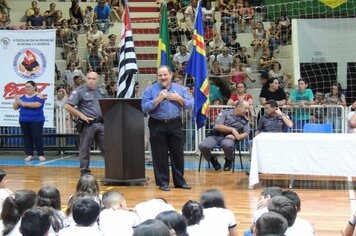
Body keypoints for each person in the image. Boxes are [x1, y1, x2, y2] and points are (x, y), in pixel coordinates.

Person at [141, 65, 193, 191]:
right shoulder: (150, 90)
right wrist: (158, 99)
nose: (163, 77)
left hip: (175, 123)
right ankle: (163, 182)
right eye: (160, 75)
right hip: (157, 124)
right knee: (159, 155)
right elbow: (144, 107)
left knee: (178, 154)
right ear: (157, 77)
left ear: (171, 75)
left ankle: (179, 182)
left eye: (165, 75)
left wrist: (179, 99)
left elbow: (191, 104)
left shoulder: (180, 89)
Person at [64, 72, 107, 175]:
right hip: (88, 124)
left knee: (107, 147)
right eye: (89, 78)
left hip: (101, 123)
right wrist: (81, 115)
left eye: (93, 79)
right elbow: (67, 106)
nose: (91, 81)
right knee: (85, 148)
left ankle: (112, 171)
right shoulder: (79, 91)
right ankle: (84, 172)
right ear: (86, 79)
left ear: (97, 80)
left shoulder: (101, 91)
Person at [199, 100, 250, 171]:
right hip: (216, 135)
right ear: (238, 107)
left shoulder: (245, 119)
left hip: (229, 138)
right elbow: (217, 126)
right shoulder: (225, 113)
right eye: (246, 108)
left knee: (227, 144)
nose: (247, 111)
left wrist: (237, 137)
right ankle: (212, 159)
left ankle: (229, 160)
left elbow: (246, 133)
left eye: (248, 108)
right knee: (202, 146)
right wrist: (232, 130)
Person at [12, 80, 46, 162]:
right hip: (23, 120)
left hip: (37, 120)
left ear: (34, 87)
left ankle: (40, 154)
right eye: (26, 87)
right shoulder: (22, 97)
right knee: (27, 137)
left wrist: (23, 103)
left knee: (37, 136)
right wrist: (17, 100)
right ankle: (29, 154)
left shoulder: (39, 95)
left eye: (29, 86)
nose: (27, 88)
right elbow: (15, 107)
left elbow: (37, 104)